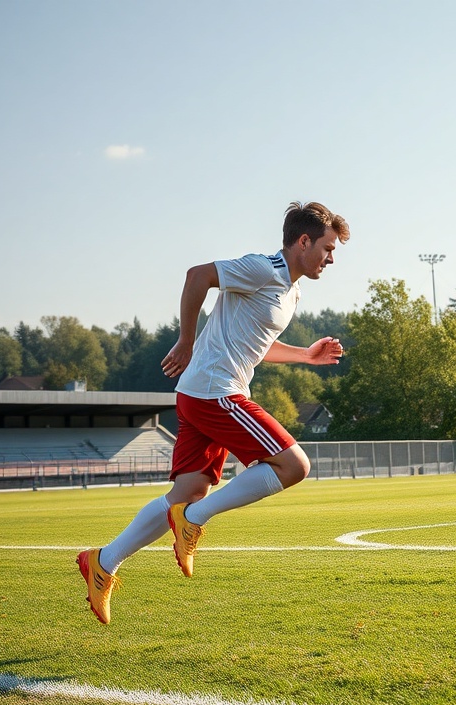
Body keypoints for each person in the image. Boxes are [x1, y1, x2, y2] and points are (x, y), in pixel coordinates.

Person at [78, 201, 350, 624]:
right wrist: (186, 340)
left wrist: (306, 357)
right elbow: (197, 276)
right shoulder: (264, 269)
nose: (331, 258)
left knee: (186, 493)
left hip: (201, 393)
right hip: (214, 392)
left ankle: (103, 562)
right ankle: (192, 521)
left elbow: (256, 345)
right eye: (328, 248)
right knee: (294, 465)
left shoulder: (291, 290)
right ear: (303, 241)